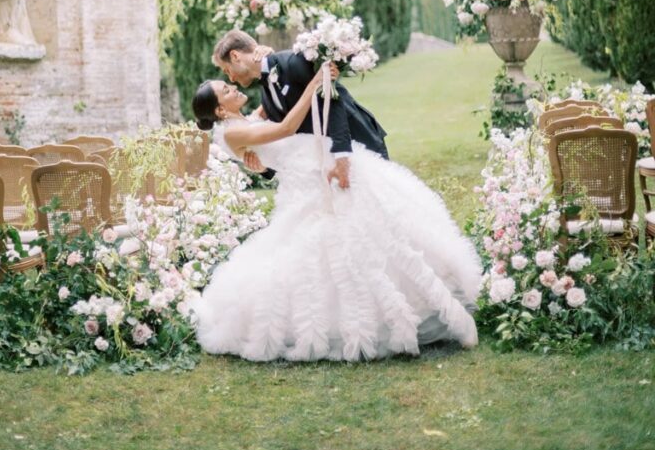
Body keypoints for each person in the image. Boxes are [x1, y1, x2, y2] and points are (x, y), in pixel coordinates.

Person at [191, 68, 481, 362]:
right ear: (219, 110)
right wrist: (315, 84)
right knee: (352, 241)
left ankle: (431, 298)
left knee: (380, 226)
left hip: (315, 167)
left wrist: (285, 67)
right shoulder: (234, 132)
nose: (232, 87)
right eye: (225, 90)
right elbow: (287, 128)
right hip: (313, 180)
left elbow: (267, 109)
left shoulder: (239, 123)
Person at [212, 29, 388, 190]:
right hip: (328, 162)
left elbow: (335, 104)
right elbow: (286, 143)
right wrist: (265, 170)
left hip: (358, 142)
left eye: (228, 71)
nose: (231, 78)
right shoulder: (266, 95)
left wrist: (342, 157)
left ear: (235, 56)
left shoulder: (293, 62)